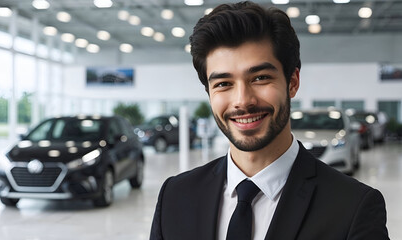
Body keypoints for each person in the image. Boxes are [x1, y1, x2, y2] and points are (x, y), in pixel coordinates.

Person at [150, 1, 389, 240]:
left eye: (260, 78)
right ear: (209, 93)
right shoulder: (175, 197)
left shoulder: (353, 208)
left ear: (292, 82)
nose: (242, 101)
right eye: (223, 84)